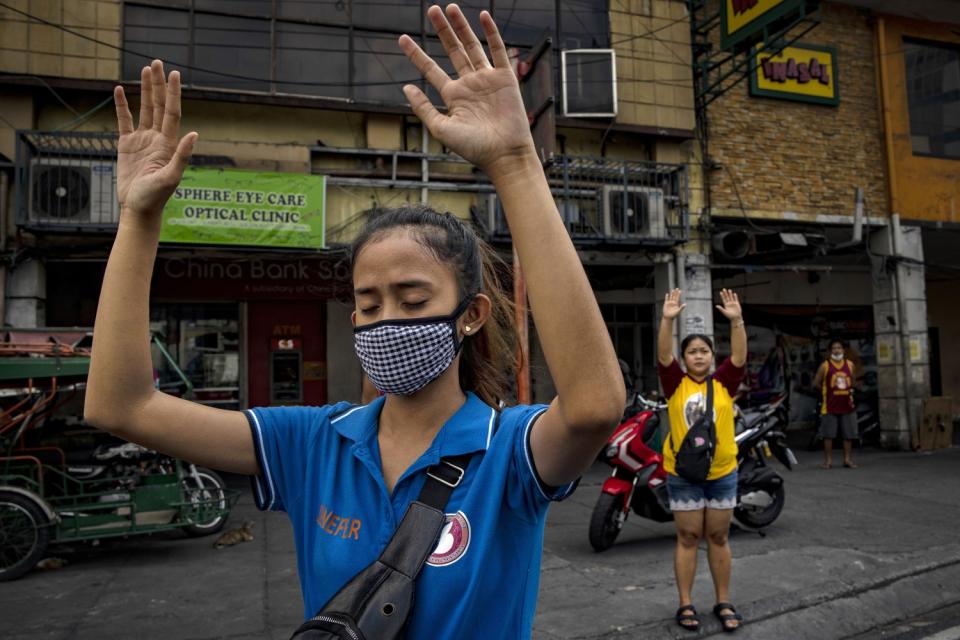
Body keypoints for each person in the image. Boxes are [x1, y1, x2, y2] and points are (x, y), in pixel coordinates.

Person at [84, 5, 625, 638]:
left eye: (414, 300)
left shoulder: (507, 450)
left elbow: (592, 408)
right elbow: (121, 405)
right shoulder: (313, 444)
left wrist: (513, 163)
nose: (386, 320)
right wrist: (140, 221)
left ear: (471, 316)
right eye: (368, 305)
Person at [657, 288, 747, 633]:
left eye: (704, 351)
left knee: (719, 536)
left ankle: (723, 600)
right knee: (688, 536)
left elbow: (739, 357)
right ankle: (685, 603)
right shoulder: (674, 384)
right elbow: (664, 355)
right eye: (692, 351)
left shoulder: (724, 383)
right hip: (683, 473)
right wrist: (668, 319)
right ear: (684, 357)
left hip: (722, 471)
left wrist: (736, 320)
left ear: (712, 356)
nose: (698, 355)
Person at [812, 339, 857, 469]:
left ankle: (847, 460)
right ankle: (828, 461)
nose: (837, 350)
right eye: (834, 348)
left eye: (839, 348)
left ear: (843, 350)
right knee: (828, 435)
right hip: (830, 405)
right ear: (830, 351)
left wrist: (851, 390)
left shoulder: (850, 365)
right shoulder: (825, 366)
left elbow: (853, 381)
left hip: (847, 405)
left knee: (848, 435)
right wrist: (826, 392)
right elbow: (816, 383)